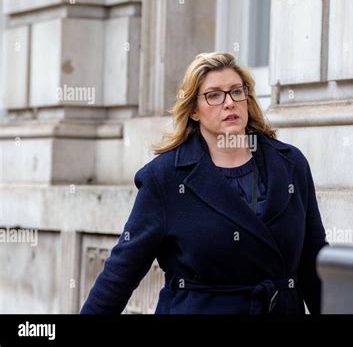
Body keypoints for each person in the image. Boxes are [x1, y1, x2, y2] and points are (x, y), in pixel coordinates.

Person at [80, 52, 328, 315]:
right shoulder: (166, 178)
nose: (229, 103)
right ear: (194, 111)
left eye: (236, 92)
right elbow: (122, 271)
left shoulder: (290, 165)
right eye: (214, 95)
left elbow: (314, 261)